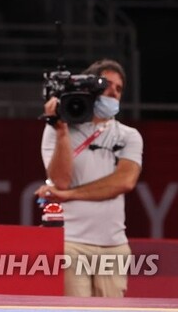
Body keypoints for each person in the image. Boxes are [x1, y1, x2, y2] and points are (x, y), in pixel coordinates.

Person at [35, 58, 143, 297]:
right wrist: (62, 131)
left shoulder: (129, 136)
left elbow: (124, 182)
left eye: (119, 89)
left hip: (114, 245)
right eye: (107, 85)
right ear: (90, 88)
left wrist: (69, 195)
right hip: (71, 242)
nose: (113, 93)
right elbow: (60, 180)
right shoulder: (55, 129)